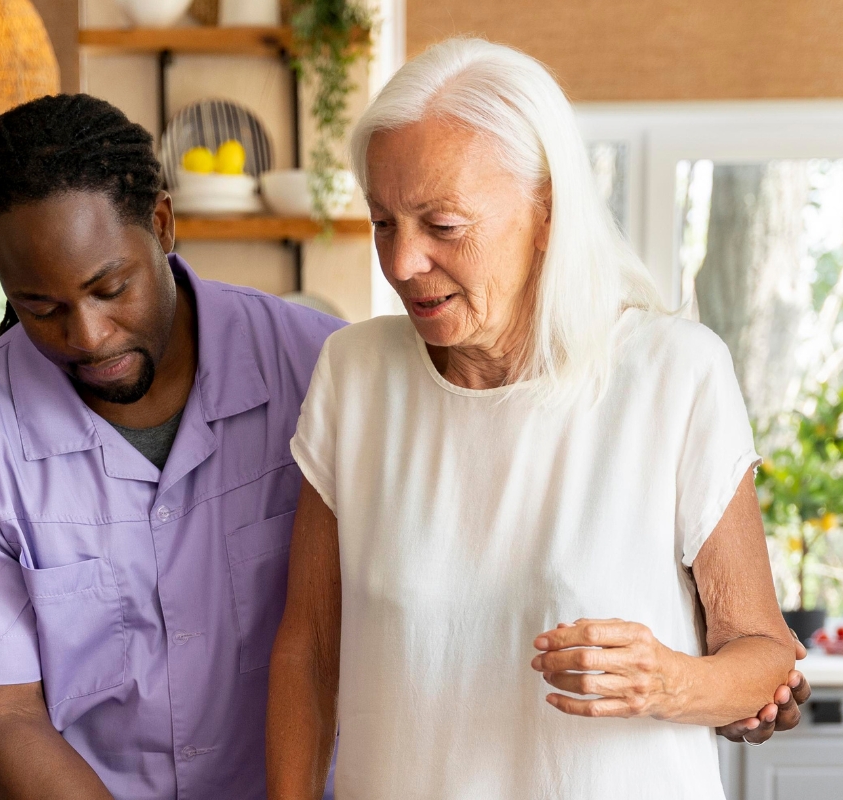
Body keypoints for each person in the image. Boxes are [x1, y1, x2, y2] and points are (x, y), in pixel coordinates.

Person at [267, 38, 810, 800]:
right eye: (383, 221)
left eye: (443, 225)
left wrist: (669, 681)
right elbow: (310, 646)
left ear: (546, 212)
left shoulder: (674, 372)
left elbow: (765, 658)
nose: (401, 263)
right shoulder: (354, 375)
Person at [0, 94, 345, 799]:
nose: (87, 336)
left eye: (110, 287)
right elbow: (4, 719)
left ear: (161, 223)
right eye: (41, 307)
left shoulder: (319, 372)